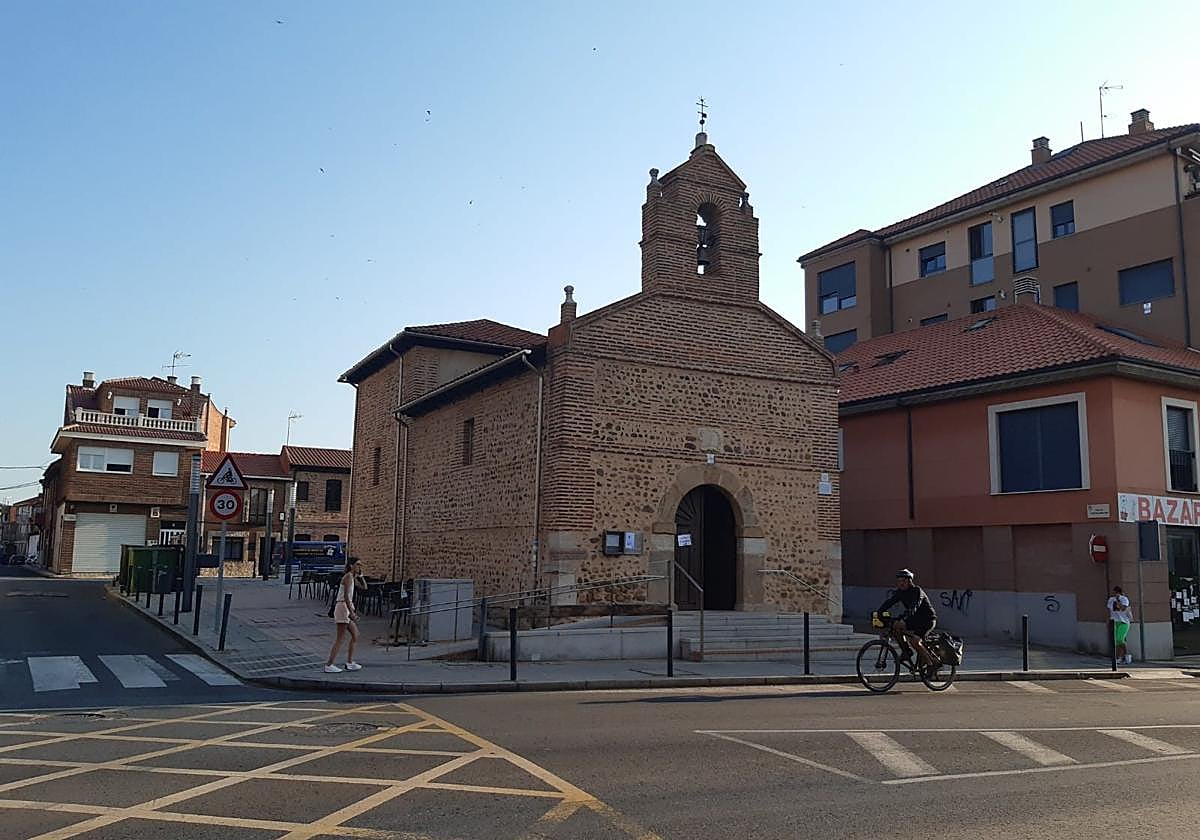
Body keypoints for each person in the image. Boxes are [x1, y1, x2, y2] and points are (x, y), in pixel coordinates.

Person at [875, 569, 938, 667]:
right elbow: (890, 602)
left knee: (915, 641)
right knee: (895, 628)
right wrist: (879, 612)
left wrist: (903, 618)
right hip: (914, 619)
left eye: (903, 581)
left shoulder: (917, 591)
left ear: (910, 581)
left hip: (927, 620)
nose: (901, 583)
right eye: (899, 581)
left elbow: (914, 607)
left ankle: (931, 663)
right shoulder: (900, 592)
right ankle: (906, 651)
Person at [325, 557, 366, 673]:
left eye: (360, 565)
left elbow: (364, 587)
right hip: (343, 607)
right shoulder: (348, 577)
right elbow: (346, 597)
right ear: (351, 565)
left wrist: (361, 577)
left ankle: (350, 662)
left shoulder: (352, 577)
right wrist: (351, 613)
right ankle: (329, 664)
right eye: (358, 564)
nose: (359, 567)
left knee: (355, 635)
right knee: (340, 638)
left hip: (346, 608)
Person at [1108, 586, 1133, 665]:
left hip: (1124, 622)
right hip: (1115, 622)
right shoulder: (1111, 600)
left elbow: (1123, 608)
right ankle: (1119, 657)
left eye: (1116, 592)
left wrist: (1118, 600)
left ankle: (1126, 655)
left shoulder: (1124, 599)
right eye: (1114, 593)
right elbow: (1110, 609)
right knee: (1116, 641)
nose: (1114, 594)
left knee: (1120, 639)